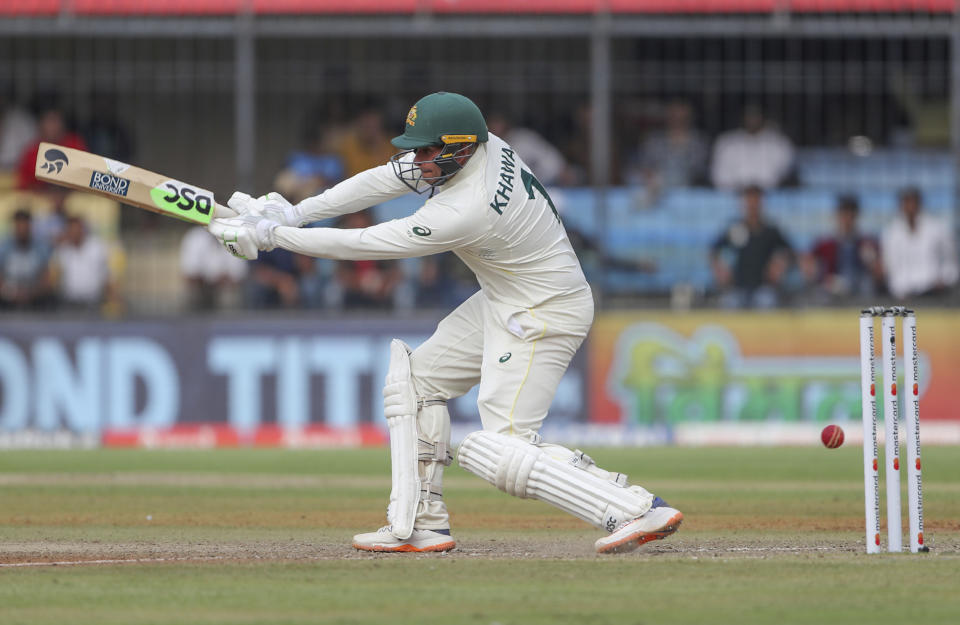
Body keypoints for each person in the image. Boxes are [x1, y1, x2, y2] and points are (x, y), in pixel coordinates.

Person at [208, 91, 683, 554]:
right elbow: (381, 180)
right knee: (414, 383)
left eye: (428, 150)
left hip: (542, 310)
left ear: (460, 147)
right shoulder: (486, 146)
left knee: (498, 450)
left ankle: (635, 508)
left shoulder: (466, 208)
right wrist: (295, 211)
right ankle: (422, 524)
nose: (418, 160)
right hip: (509, 296)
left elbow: (366, 244)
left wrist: (276, 236)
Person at [710, 185, 794, 309]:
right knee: (729, 304)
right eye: (749, 201)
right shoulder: (735, 228)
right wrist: (720, 269)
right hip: (737, 286)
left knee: (766, 302)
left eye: (756, 201)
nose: (752, 206)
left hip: (764, 287)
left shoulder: (770, 231)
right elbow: (714, 250)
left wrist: (780, 265)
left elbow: (790, 252)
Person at [881, 187, 958, 300]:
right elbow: (889, 265)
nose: (910, 207)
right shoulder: (891, 233)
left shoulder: (938, 228)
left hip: (933, 293)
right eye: (906, 202)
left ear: (919, 203)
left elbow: (951, 260)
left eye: (913, 202)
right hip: (902, 296)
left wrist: (945, 280)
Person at [801, 195, 882, 300]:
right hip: (832, 287)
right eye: (844, 214)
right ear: (838, 215)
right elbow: (808, 263)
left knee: (866, 285)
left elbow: (878, 272)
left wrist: (871, 262)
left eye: (851, 215)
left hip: (858, 286)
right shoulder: (825, 244)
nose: (847, 219)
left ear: (856, 216)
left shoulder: (866, 243)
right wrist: (818, 274)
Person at [625, 99, 708, 192]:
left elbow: (699, 171)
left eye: (681, 115)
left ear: (690, 116)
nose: (677, 118)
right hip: (655, 188)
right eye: (674, 114)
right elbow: (644, 166)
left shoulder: (699, 141)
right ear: (667, 116)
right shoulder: (654, 140)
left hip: (689, 191)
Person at [710, 104, 795, 191]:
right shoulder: (726, 142)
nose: (752, 119)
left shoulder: (780, 143)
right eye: (749, 115)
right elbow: (719, 177)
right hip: (732, 197)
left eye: (756, 115)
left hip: (771, 197)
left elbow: (786, 175)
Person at [52, 215, 114, 311]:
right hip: (69, 304)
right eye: (72, 230)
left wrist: (113, 299)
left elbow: (106, 276)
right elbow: (55, 277)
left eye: (77, 229)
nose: (75, 233)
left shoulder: (97, 248)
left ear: (82, 230)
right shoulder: (62, 250)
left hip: (94, 304)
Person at [180, 226, 248, 311]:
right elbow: (190, 274)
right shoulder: (195, 237)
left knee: (230, 297)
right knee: (194, 293)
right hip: (202, 289)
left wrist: (221, 280)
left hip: (224, 289)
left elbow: (239, 275)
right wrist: (209, 280)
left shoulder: (235, 237)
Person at [0, 208, 53, 310]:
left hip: (35, 298)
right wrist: (12, 293)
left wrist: (30, 294)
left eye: (25, 226)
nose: (22, 230)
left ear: (30, 226)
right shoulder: (4, 248)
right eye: (19, 226)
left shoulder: (41, 247)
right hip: (7, 298)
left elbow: (47, 278)